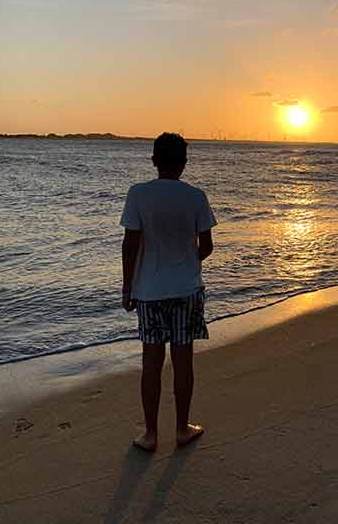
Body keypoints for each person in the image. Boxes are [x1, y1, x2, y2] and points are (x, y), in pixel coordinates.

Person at [120, 132, 216, 452]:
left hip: (148, 291)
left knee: (151, 362)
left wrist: (128, 286)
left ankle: (150, 434)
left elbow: (130, 245)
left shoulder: (138, 194)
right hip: (186, 289)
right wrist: (188, 261)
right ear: (184, 163)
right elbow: (207, 247)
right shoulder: (196, 196)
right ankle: (181, 428)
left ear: (154, 161)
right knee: (183, 360)